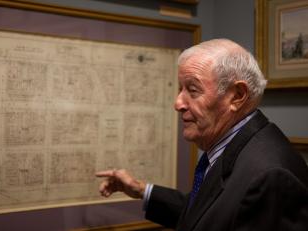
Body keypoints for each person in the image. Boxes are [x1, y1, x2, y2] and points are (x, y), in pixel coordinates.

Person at [96, 39, 308, 231]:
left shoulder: (270, 177)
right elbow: (208, 214)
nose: (178, 103)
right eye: (180, 89)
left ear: (237, 96)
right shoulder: (238, 148)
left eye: (193, 90)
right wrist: (142, 190)